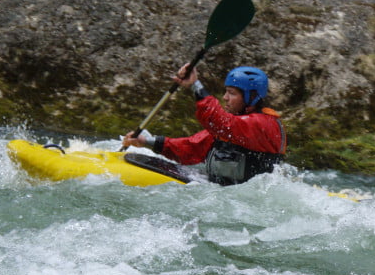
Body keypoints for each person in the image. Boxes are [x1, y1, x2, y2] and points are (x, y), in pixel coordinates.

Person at [123, 64, 287, 185]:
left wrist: (196, 84)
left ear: (251, 97)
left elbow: (219, 122)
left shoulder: (265, 124)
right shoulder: (233, 126)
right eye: (226, 91)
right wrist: (147, 142)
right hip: (222, 191)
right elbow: (191, 148)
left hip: (249, 201)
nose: (225, 97)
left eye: (232, 93)